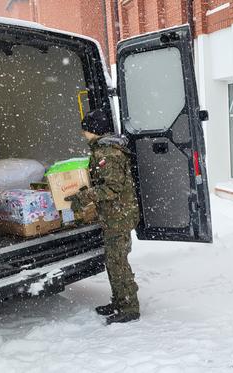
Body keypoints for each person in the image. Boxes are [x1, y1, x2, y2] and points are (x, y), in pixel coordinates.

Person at [66, 109, 141, 324]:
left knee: (117, 261)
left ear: (94, 130)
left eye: (85, 130)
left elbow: (112, 188)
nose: (83, 134)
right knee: (113, 260)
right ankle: (120, 301)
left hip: (119, 215)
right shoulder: (103, 150)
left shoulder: (107, 153)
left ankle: (129, 308)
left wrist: (84, 196)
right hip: (114, 215)